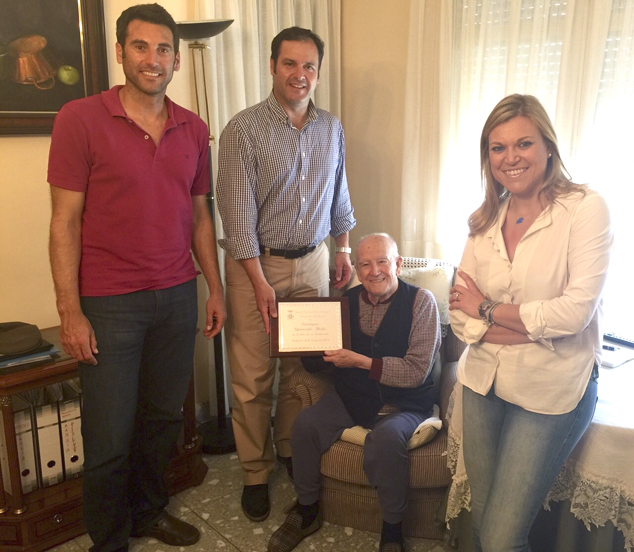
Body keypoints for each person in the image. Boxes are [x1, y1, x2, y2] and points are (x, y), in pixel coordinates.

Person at [48, 4, 226, 551]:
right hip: (108, 303)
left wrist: (214, 288)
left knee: (162, 420)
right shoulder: (79, 119)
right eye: (141, 47)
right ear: (121, 52)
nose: (153, 59)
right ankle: (109, 540)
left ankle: (148, 512)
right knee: (108, 435)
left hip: (176, 295)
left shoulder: (194, 128)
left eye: (164, 49)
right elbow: (64, 222)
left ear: (176, 59)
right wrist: (70, 312)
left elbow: (200, 217)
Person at [448, 94, 612, 552]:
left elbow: (574, 314)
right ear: (487, 157)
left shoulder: (585, 208)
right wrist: (527, 326)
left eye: (523, 143)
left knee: (501, 539)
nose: (511, 157)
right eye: (497, 147)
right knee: (482, 525)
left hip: (552, 388)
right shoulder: (485, 218)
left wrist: (487, 309)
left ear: (548, 147)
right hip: (482, 381)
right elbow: (457, 312)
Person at [216, 26, 356, 522]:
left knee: (304, 367)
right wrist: (258, 282)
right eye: (290, 64)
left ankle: (291, 446)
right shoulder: (243, 129)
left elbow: (339, 193)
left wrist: (343, 249)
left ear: (318, 72)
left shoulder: (331, 127)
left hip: (314, 260)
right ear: (272, 66)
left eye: (309, 66)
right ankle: (255, 472)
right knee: (254, 373)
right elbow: (236, 216)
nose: (300, 74)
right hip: (257, 263)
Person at [268, 233, 441, 552]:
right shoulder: (345, 302)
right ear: (357, 270)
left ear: (398, 264)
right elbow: (320, 362)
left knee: (386, 440)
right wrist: (302, 341)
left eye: (382, 262)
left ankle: (392, 528)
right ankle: (307, 510)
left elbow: (416, 371)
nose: (374, 271)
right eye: (365, 265)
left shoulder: (422, 302)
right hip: (353, 396)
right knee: (305, 425)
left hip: (404, 403)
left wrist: (360, 361)